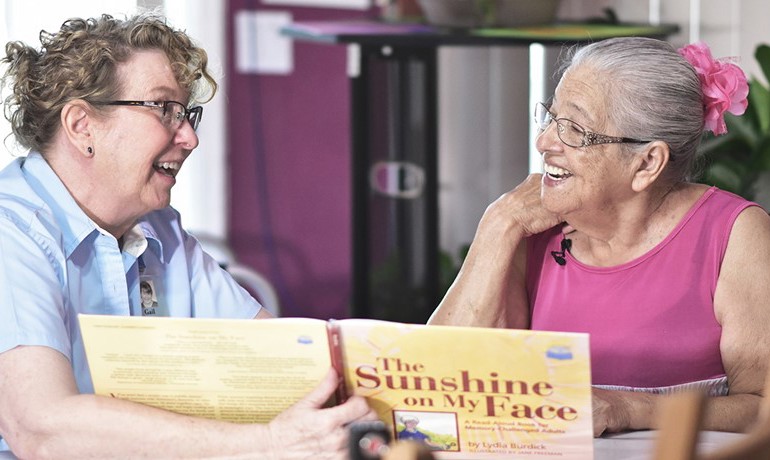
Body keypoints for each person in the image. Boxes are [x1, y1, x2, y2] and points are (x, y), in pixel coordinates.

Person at [0, 12, 375, 458]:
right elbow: (40, 428)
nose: (190, 137)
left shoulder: (160, 230)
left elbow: (286, 368)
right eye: (164, 110)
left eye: (186, 114)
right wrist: (270, 444)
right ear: (83, 126)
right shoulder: (12, 234)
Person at [429, 37, 770, 437]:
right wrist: (498, 224)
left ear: (646, 163)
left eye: (574, 129)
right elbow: (433, 385)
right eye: (551, 118)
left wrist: (627, 408)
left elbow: (762, 407)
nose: (544, 143)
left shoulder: (734, 234)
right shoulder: (527, 229)